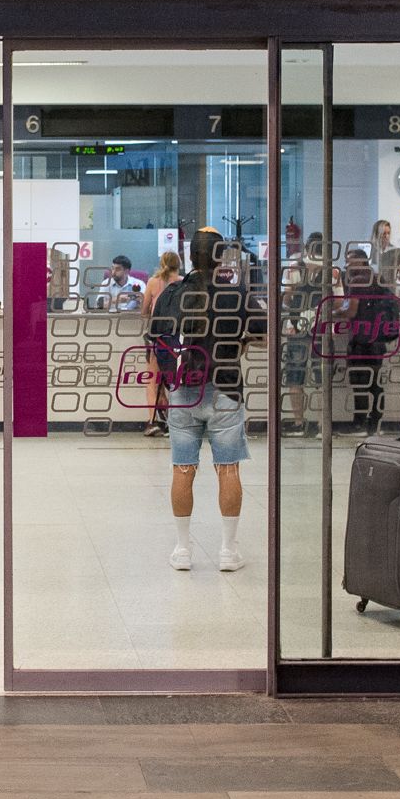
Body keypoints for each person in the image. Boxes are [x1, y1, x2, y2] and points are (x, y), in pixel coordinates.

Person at [148, 228, 268, 573]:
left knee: (182, 468)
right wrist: (241, 343)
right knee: (228, 468)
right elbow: (264, 329)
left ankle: (182, 550)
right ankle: (228, 551)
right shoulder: (236, 294)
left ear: (189, 256)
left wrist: (171, 378)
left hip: (184, 392)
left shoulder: (172, 293)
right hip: (226, 391)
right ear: (221, 258)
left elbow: (157, 339)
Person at [337, 248, 400, 435]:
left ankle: (359, 423)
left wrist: (334, 311)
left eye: (350, 263)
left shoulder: (359, 280)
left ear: (360, 262)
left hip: (361, 340)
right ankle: (374, 423)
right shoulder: (377, 278)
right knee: (375, 383)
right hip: (377, 340)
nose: (348, 267)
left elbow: (351, 311)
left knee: (359, 382)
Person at [281, 234, 329, 436]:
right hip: (320, 327)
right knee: (321, 379)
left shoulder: (294, 267)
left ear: (308, 247)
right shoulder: (331, 271)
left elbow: (286, 296)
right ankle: (321, 426)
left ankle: (299, 423)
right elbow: (336, 301)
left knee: (295, 377)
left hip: (296, 325)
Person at [139, 249, 184, 437]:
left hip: (157, 335)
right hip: (177, 336)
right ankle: (175, 422)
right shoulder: (184, 283)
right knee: (174, 381)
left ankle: (153, 421)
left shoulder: (152, 282)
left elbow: (144, 310)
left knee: (153, 381)